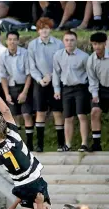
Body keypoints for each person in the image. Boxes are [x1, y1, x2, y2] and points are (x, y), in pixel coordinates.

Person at [0, 75, 51, 209]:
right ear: (6, 128)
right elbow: (4, 109)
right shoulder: (13, 136)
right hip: (35, 181)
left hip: (20, 187)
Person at [28, 17, 65, 152]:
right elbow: (32, 66)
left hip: (56, 81)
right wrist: (40, 79)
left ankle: (61, 144)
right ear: (38, 30)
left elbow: (61, 64)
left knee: (57, 112)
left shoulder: (59, 44)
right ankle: (40, 144)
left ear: (50, 29)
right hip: (40, 82)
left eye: (47, 28)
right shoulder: (32, 45)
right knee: (40, 112)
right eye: (42, 28)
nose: (44, 30)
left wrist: (52, 76)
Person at [52, 30, 90, 152]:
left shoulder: (84, 56)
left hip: (80, 88)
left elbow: (90, 75)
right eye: (67, 40)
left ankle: (84, 143)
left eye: (72, 40)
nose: (69, 42)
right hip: (66, 88)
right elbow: (56, 73)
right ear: (63, 41)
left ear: (76, 41)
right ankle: (67, 144)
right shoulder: (58, 55)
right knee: (67, 117)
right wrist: (57, 89)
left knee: (81, 115)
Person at [87, 32, 109, 152]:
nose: (97, 47)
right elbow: (92, 79)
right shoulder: (91, 60)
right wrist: (95, 95)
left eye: (100, 44)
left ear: (105, 44)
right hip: (101, 88)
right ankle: (97, 144)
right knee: (94, 112)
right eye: (94, 44)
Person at [0, 30, 34, 151]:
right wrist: (6, 94)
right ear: (6, 41)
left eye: (14, 39)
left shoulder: (25, 54)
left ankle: (30, 143)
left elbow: (29, 74)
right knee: (14, 117)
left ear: (18, 41)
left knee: (27, 114)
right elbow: (3, 76)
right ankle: (18, 144)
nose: (12, 42)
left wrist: (24, 92)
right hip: (11, 87)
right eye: (10, 39)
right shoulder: (2, 56)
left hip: (24, 86)